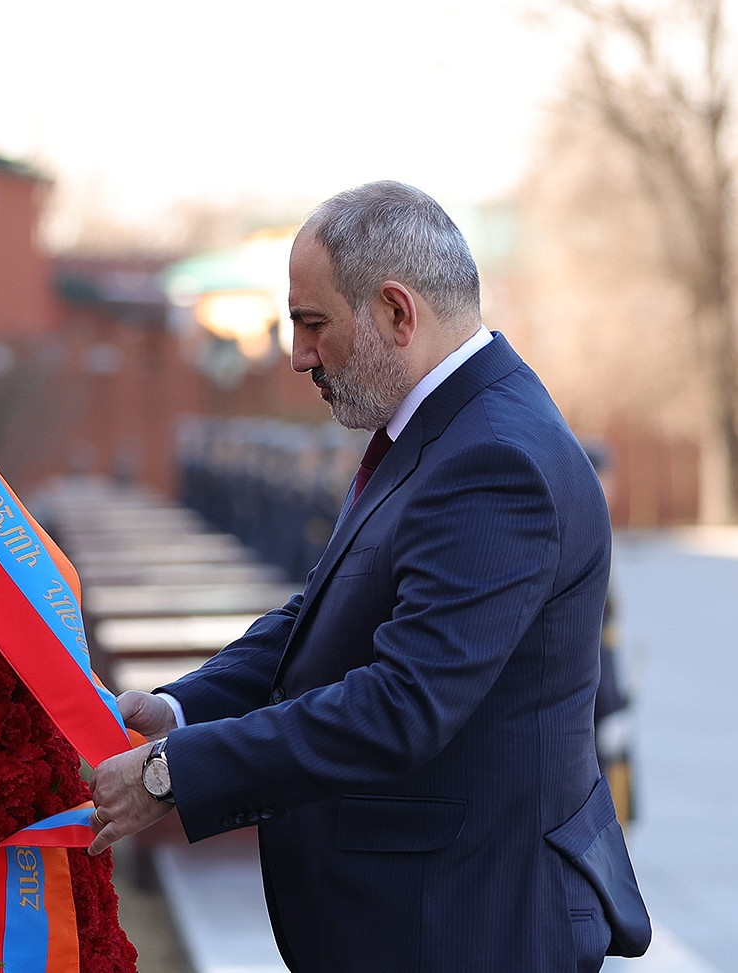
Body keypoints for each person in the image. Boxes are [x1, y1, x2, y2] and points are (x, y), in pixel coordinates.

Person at [87, 181, 651, 971]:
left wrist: (172, 775)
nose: (298, 355)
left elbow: (403, 704)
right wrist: (181, 708)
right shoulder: (444, 426)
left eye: (313, 324)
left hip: (469, 926)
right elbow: (323, 609)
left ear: (395, 312)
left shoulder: (494, 458)